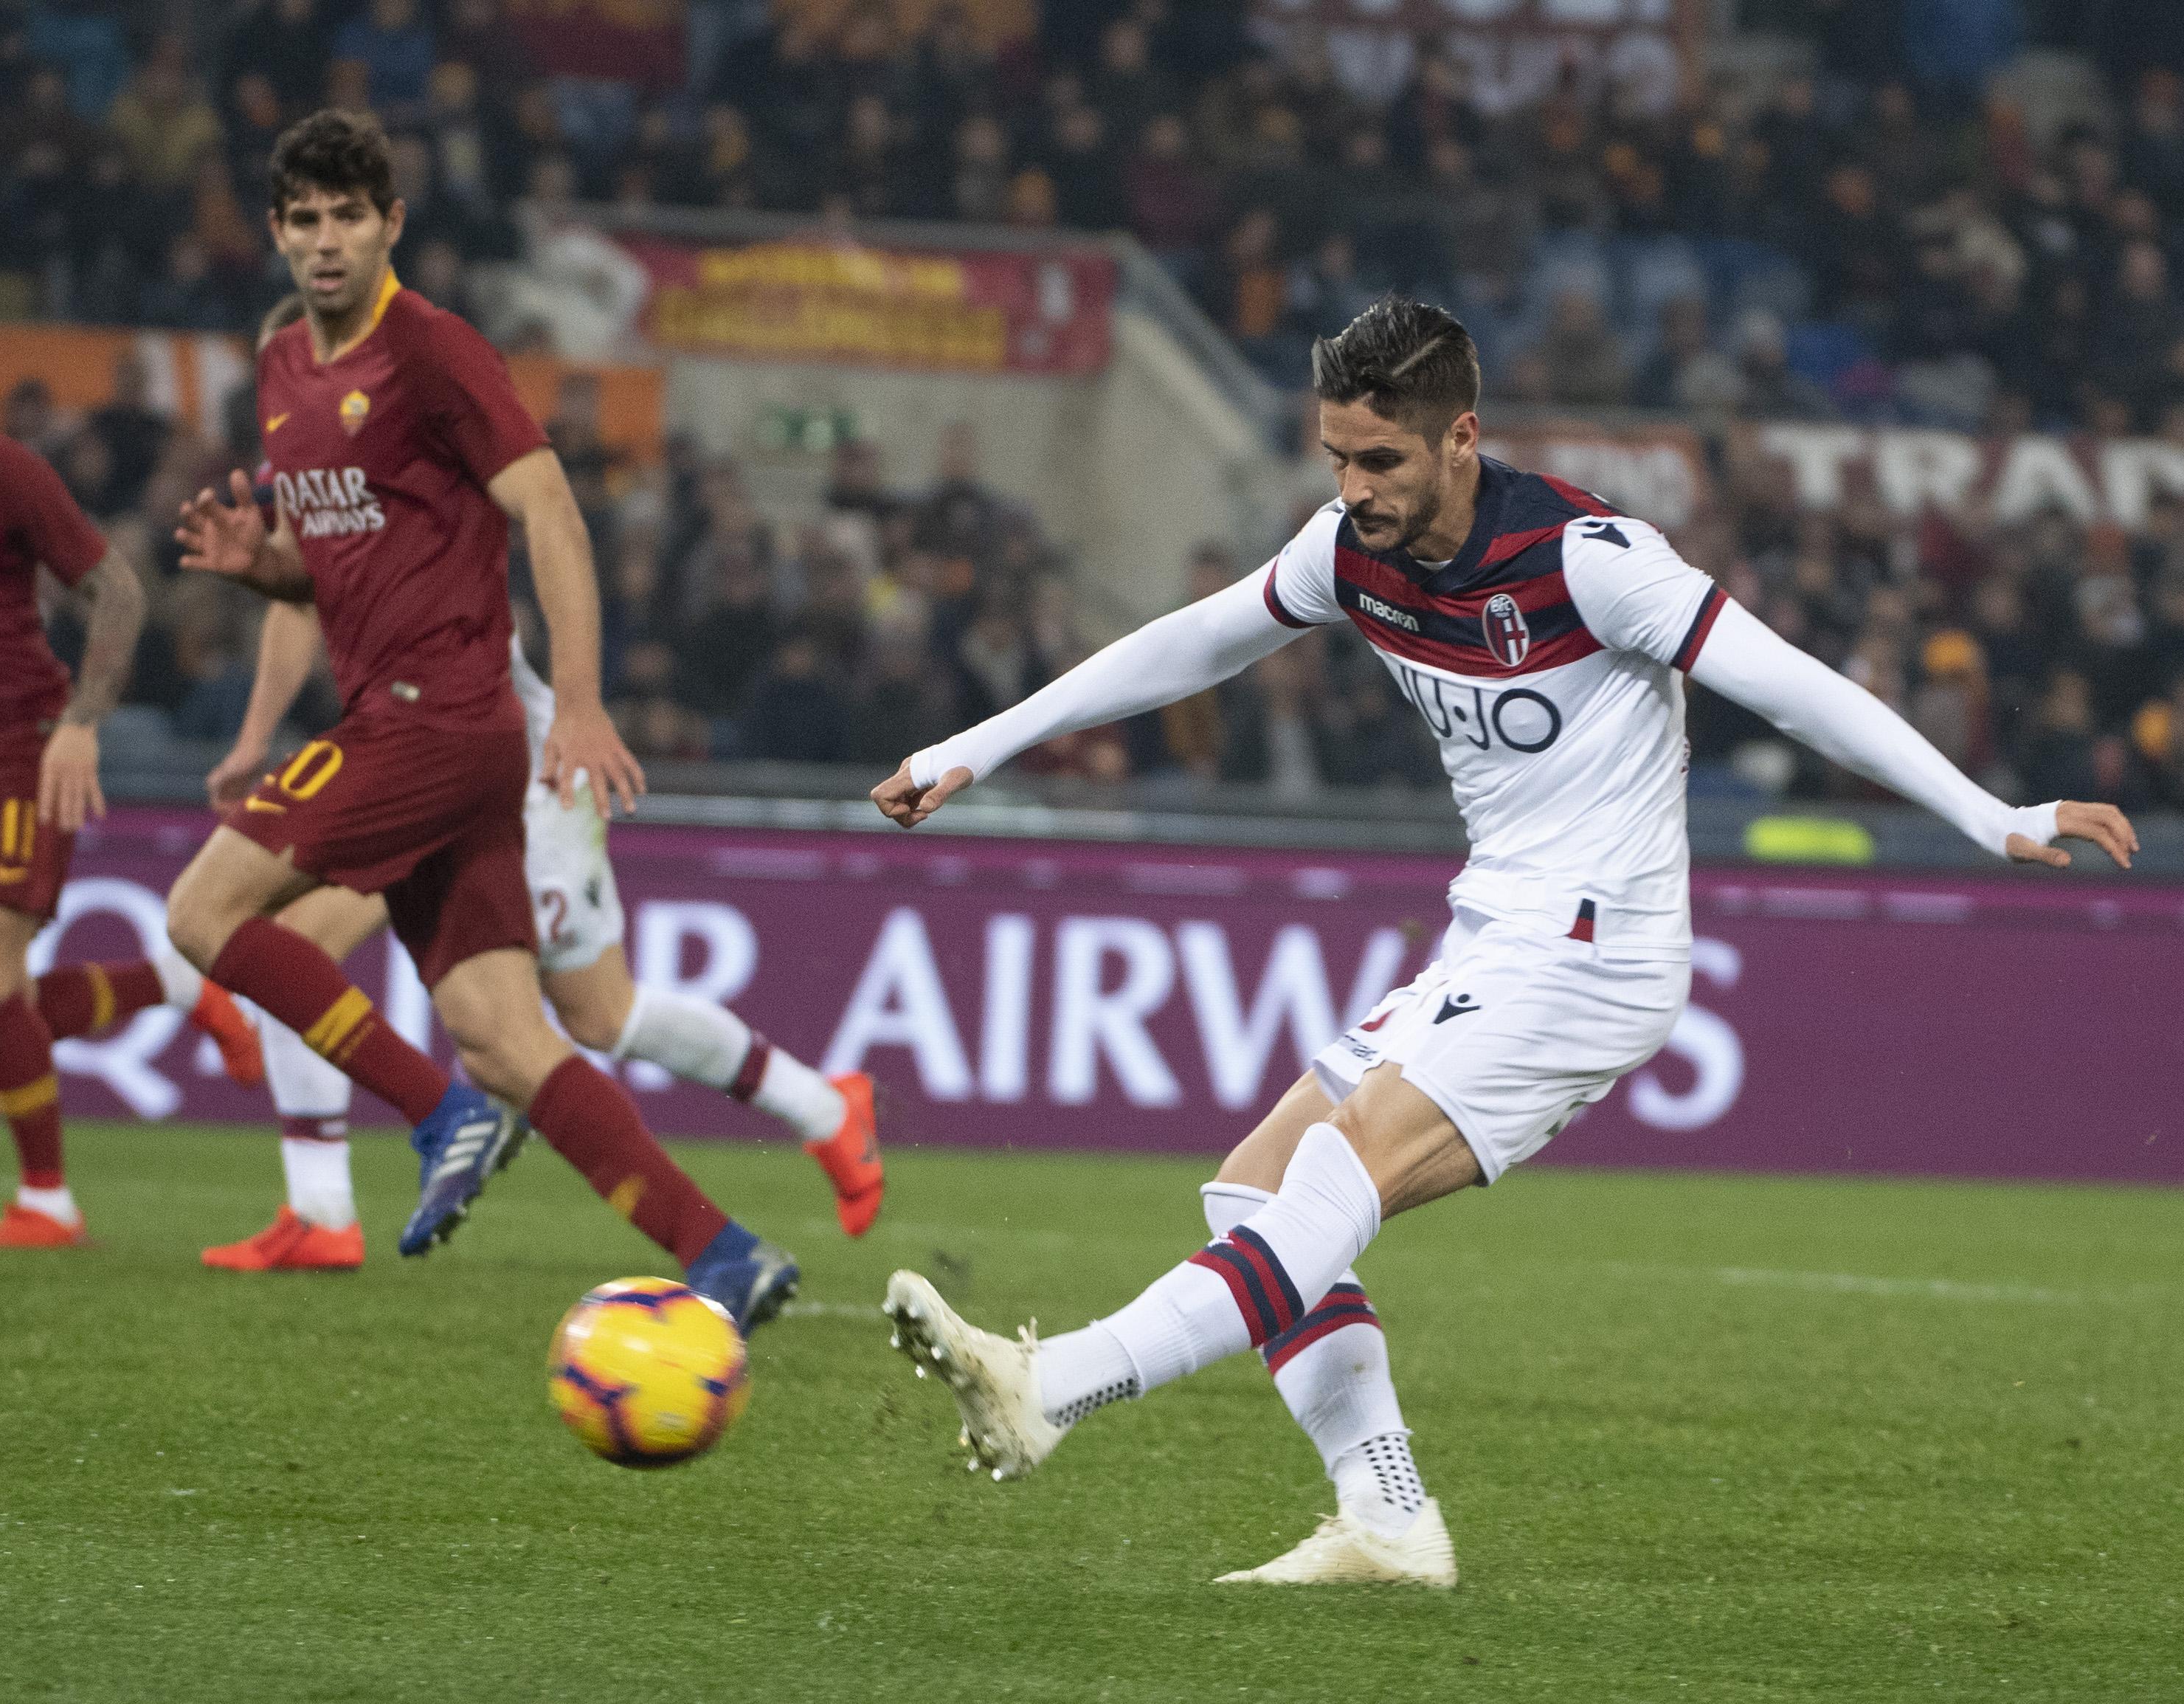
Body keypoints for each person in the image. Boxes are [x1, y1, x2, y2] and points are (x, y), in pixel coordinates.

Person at [867, 297, 2137, 1586]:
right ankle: (1387, 1519)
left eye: (1380, 461)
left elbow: (1794, 684)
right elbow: (1192, 640)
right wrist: (977, 745)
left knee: (1340, 1164)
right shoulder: (1347, 551)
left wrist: (1992, 814)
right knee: (1255, 1184)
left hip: (1598, 950)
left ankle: (1053, 1385)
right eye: (1334, 458)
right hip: (1495, 931)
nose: (1351, 489)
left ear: (1459, 438)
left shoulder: (1589, 559)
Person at [165, 111, 798, 1331]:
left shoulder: (434, 348)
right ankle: (720, 1249)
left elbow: (549, 510)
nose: (327, 240)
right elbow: (339, 553)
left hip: (439, 714)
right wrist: (264, 564)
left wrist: (585, 701)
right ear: (278, 231)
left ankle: (432, 1108)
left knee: (201, 910)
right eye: (305, 219)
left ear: (391, 222)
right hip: (415, 726)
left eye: (350, 215)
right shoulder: (286, 365)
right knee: (507, 1036)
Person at [195, 336, 882, 1270]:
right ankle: (322, 1205)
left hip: (510, 767)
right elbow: (298, 595)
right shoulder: (322, 472)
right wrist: (255, 733)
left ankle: (822, 1110)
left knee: (595, 1013)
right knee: (304, 944)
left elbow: (535, 522)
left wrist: (582, 704)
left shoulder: (407, 441)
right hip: (418, 759)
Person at [0, 423, 261, 1249]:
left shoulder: (4, 469)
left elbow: (120, 591)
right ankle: (169, 984)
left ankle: (48, 1201)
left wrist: (81, 722)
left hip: (18, 737)